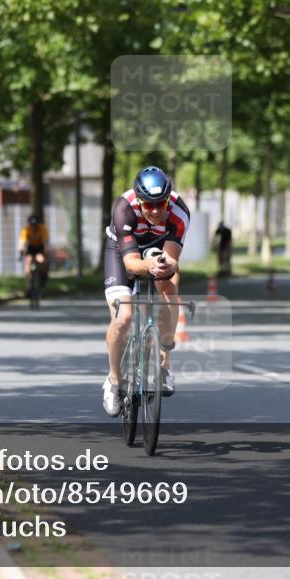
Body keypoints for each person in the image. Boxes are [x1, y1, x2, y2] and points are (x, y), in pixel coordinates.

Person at [102, 166, 190, 416]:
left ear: (168, 200)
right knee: (124, 317)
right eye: (148, 205)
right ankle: (113, 380)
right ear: (138, 201)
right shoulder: (124, 208)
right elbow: (131, 265)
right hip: (122, 252)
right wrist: (146, 265)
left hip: (159, 249)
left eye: (160, 204)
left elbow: (172, 259)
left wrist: (164, 266)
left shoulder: (180, 212)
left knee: (169, 287)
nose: (154, 210)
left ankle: (164, 364)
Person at [19, 214, 49, 292]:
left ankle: (42, 278)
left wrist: (46, 253)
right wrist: (21, 251)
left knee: (41, 260)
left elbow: (45, 243)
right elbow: (22, 242)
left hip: (40, 247)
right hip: (31, 247)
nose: (33, 227)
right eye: (32, 225)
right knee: (28, 261)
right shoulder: (26, 230)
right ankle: (28, 286)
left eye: (35, 225)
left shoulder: (42, 229)